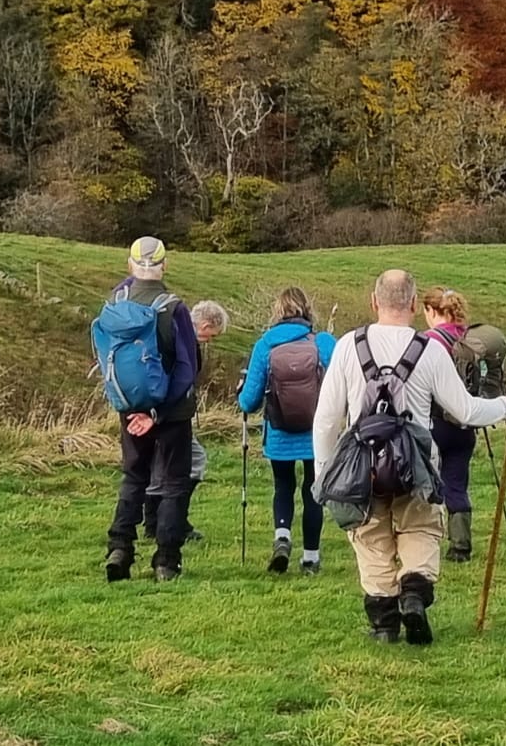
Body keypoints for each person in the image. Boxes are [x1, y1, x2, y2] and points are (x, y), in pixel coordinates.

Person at [313, 269, 506, 645]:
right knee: (420, 529)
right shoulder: (429, 350)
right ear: (415, 305)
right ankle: (413, 594)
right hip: (415, 465)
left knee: (371, 538)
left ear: (373, 301)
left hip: (361, 469)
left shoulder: (349, 345)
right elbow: (464, 411)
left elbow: (325, 420)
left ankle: (384, 625)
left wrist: (326, 475)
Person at [104, 237, 200, 583]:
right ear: (165, 265)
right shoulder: (173, 307)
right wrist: (158, 414)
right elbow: (187, 367)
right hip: (171, 412)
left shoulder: (116, 302)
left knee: (134, 476)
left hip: (129, 406)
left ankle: (120, 548)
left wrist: (137, 409)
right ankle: (166, 561)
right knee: (174, 483)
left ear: (130, 265)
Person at [238, 286, 336, 576]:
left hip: (279, 433)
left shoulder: (265, 344)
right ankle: (311, 557)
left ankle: (282, 536)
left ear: (278, 311)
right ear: (308, 309)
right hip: (315, 433)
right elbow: (342, 383)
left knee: (283, 486)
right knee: (313, 491)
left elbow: (249, 400)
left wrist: (241, 395)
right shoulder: (324, 342)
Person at [145, 299, 228, 545]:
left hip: (159, 412)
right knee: (190, 462)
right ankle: (172, 520)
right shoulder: (184, 343)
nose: (210, 340)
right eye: (211, 334)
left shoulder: (170, 333)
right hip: (173, 415)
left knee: (161, 466)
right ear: (204, 324)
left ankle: (157, 521)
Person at [420, 286, 478, 563]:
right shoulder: (468, 337)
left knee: (427, 480)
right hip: (466, 423)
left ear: (432, 311)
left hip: (436, 420)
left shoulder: (429, 341)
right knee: (457, 482)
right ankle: (461, 546)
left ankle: (423, 539)